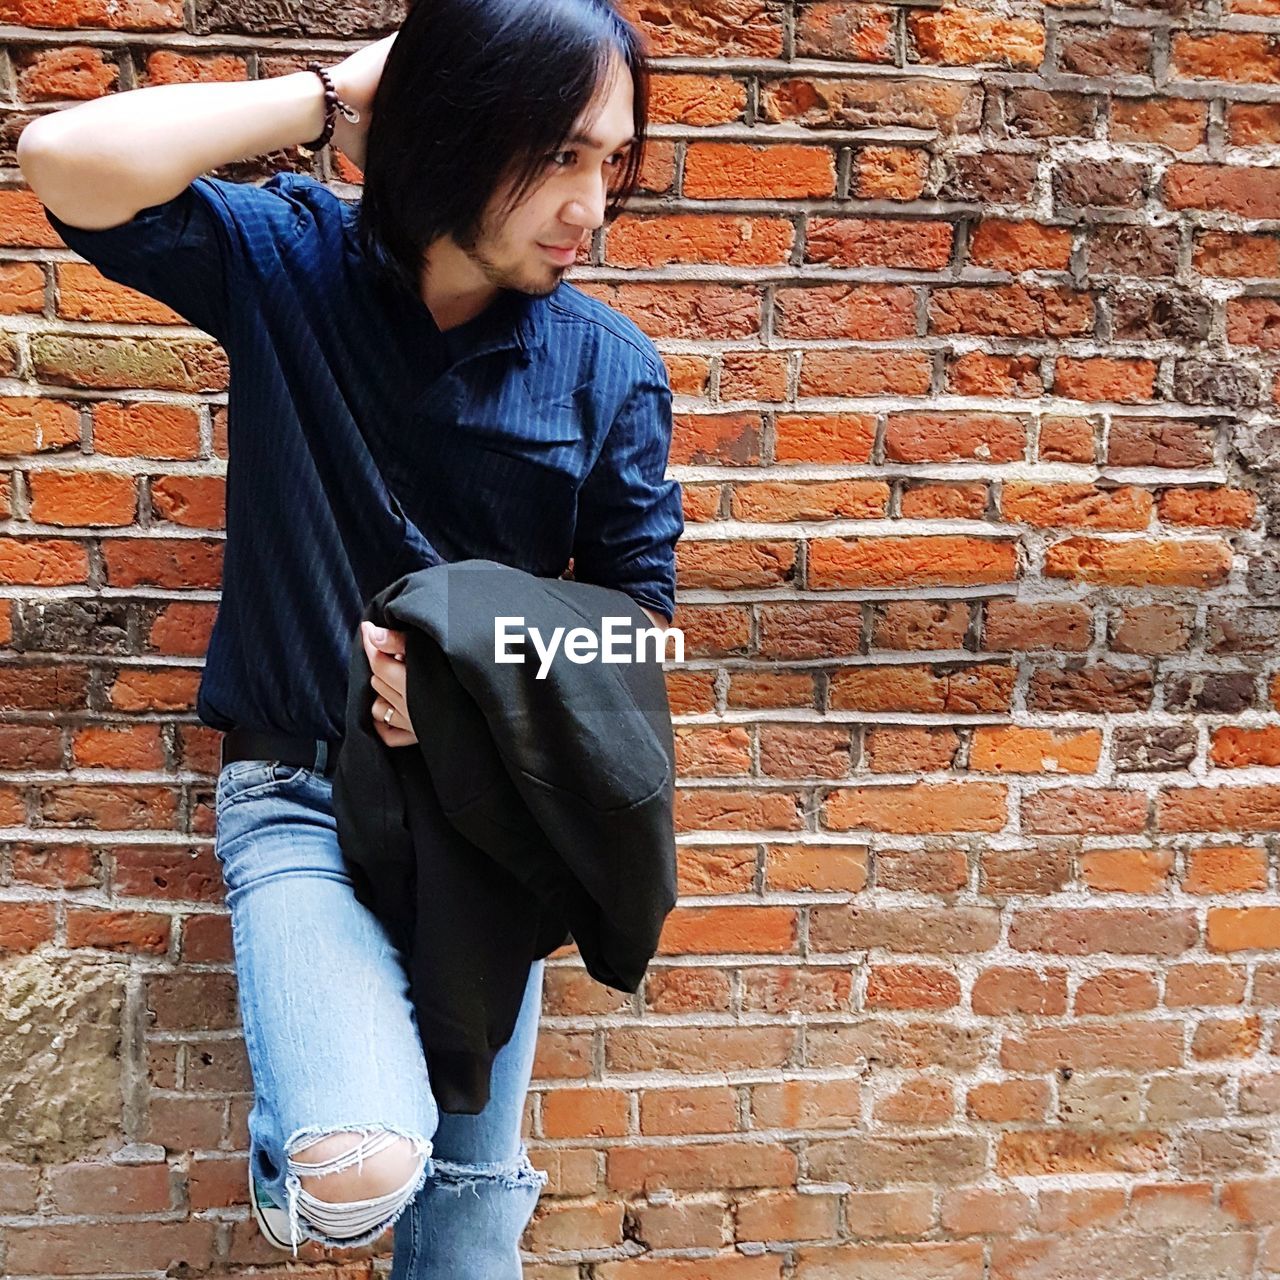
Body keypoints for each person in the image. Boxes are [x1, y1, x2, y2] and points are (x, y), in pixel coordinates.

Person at [17, 1, 683, 1275]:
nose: (590, 207)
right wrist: (333, 94)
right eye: (557, 155)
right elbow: (66, 162)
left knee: (471, 1210)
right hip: (302, 798)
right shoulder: (290, 266)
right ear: (453, 131)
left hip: (490, 824)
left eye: (610, 163)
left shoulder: (606, 368)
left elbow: (641, 639)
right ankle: (305, 1167)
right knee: (365, 1162)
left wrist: (479, 686)